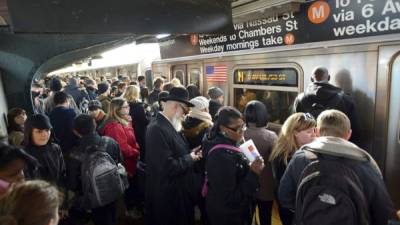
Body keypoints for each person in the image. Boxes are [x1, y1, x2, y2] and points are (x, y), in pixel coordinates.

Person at [279, 110, 395, 225]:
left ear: (317, 131)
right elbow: (382, 210)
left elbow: (284, 196)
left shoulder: (300, 158)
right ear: (349, 134)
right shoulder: (365, 163)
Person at [145, 87, 201, 225]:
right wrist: (190, 158)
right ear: (176, 106)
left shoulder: (168, 125)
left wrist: (190, 152)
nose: (185, 115)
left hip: (177, 192)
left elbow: (176, 152)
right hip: (169, 196)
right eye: (185, 110)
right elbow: (166, 167)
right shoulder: (156, 129)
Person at [202, 106, 264, 225]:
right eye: (238, 129)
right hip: (228, 216)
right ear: (223, 128)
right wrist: (253, 173)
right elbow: (230, 199)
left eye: (243, 126)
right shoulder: (220, 157)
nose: (242, 132)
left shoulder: (223, 139)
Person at [67, 114, 122, 225]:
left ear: (75, 132)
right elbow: (119, 161)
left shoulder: (74, 155)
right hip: (114, 188)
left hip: (93, 198)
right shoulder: (110, 142)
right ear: (95, 124)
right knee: (113, 215)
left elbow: (73, 183)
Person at [269, 112, 316, 225]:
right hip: (292, 211)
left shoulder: (299, 150)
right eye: (309, 132)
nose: (314, 134)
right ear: (295, 133)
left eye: (314, 130)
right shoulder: (284, 157)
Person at [293, 66, 361, 146]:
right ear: (329, 78)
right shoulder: (345, 99)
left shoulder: (300, 99)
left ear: (311, 79)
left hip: (309, 147)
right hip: (337, 148)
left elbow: (294, 126)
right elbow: (356, 132)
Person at [101, 98, 140, 209]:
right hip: (125, 163)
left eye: (128, 106)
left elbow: (130, 138)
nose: (129, 108)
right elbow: (123, 148)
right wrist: (136, 152)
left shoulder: (122, 121)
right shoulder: (114, 126)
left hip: (130, 160)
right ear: (117, 109)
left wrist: (129, 123)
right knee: (129, 190)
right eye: (126, 107)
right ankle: (129, 211)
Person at [243, 101, 277, 225]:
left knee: (246, 216)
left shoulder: (240, 134)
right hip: (266, 185)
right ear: (264, 115)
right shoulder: (271, 136)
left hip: (246, 183)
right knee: (265, 217)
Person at [181, 96, 213, 225]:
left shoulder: (183, 121)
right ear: (204, 108)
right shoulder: (207, 125)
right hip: (201, 168)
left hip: (187, 165)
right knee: (203, 200)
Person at [23, 114, 66, 187]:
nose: (45, 135)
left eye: (47, 130)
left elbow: (62, 173)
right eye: (39, 131)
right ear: (29, 133)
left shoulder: (55, 148)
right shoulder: (23, 155)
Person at [124, 85, 149, 160]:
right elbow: (145, 121)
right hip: (139, 133)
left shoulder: (123, 105)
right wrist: (148, 113)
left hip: (128, 133)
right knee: (141, 153)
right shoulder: (139, 106)